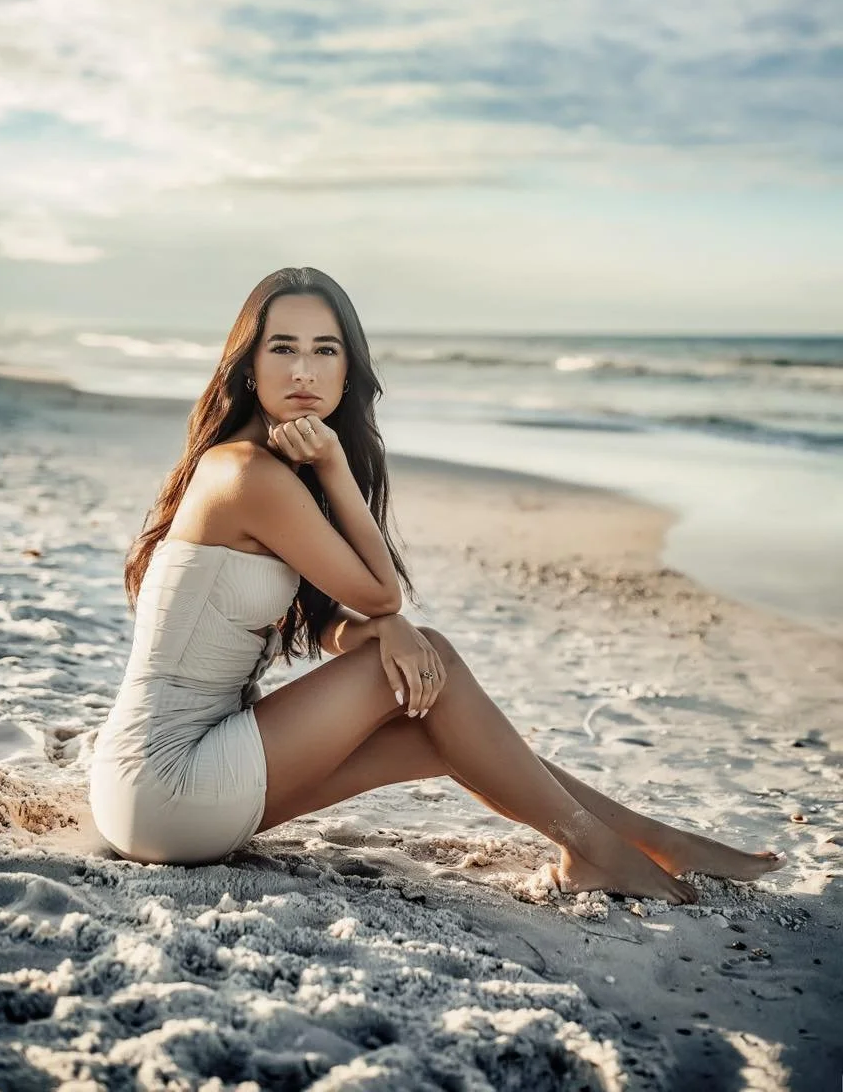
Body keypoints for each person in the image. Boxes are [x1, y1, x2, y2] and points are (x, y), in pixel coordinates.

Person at [89, 266, 784, 902]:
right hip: (170, 783)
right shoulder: (247, 474)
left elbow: (333, 623)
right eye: (283, 348)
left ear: (349, 367)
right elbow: (381, 596)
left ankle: (651, 841)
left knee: (442, 731)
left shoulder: (267, 467)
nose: (305, 369)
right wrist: (337, 475)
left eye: (326, 350)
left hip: (172, 787)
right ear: (247, 364)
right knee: (436, 658)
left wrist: (383, 628)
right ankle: (599, 848)